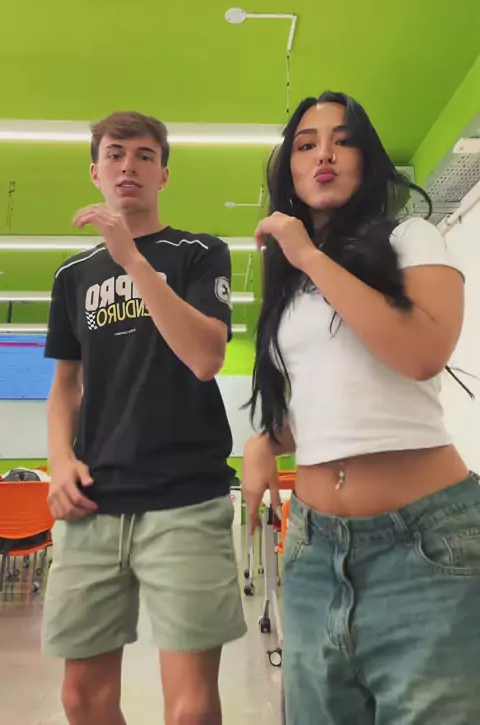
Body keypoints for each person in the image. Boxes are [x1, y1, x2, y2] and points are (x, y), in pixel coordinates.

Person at [243, 92, 480, 725]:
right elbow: (331, 399)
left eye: (343, 140)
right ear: (290, 168)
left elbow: (421, 353)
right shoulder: (290, 283)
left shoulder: (411, 236)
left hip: (426, 542)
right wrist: (268, 439)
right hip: (314, 545)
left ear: (368, 159)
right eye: (306, 144)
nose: (324, 153)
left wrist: (309, 256)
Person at [43, 111, 246, 725]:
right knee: (81, 698)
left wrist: (132, 260)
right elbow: (65, 385)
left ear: (164, 174)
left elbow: (207, 358)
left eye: (144, 155)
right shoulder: (71, 276)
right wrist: (59, 461)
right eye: (114, 154)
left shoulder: (200, 253)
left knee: (189, 709)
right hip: (93, 501)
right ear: (95, 171)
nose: (128, 166)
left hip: (185, 498)